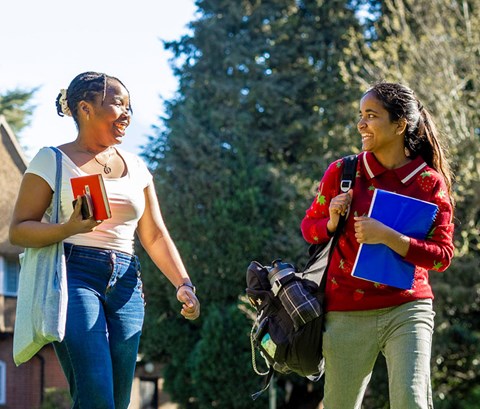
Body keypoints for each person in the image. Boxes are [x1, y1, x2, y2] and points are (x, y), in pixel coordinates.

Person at [9, 71, 200, 409]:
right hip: (73, 275)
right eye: (118, 104)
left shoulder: (138, 167)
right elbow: (20, 229)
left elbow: (154, 234)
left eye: (130, 107)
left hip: (126, 283)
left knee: (118, 397)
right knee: (96, 393)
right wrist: (68, 228)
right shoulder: (52, 160)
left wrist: (183, 283)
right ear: (85, 108)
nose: (127, 114)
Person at [301, 82, 454, 409]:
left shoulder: (429, 182)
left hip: (407, 308)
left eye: (371, 115)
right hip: (346, 312)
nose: (361, 124)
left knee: (412, 402)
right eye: (360, 115)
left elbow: (441, 258)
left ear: (399, 125)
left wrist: (389, 237)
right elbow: (309, 230)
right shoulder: (343, 173)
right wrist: (330, 221)